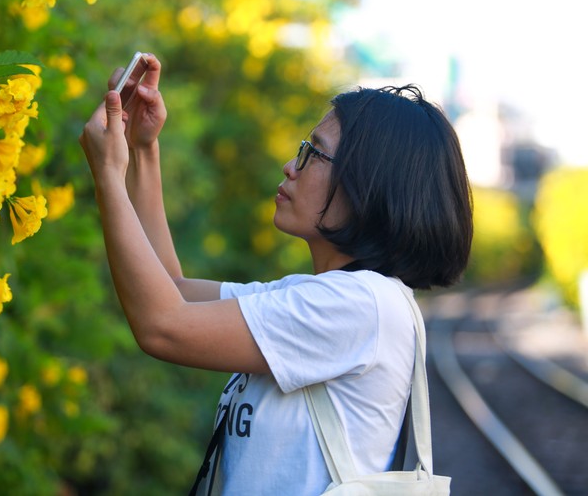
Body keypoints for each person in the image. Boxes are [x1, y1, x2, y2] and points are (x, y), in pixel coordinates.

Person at [79, 53, 472, 495]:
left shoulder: (361, 306)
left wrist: (109, 175)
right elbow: (173, 292)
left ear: (369, 184)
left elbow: (163, 327)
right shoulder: (318, 297)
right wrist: (142, 149)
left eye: (313, 153)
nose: (291, 165)